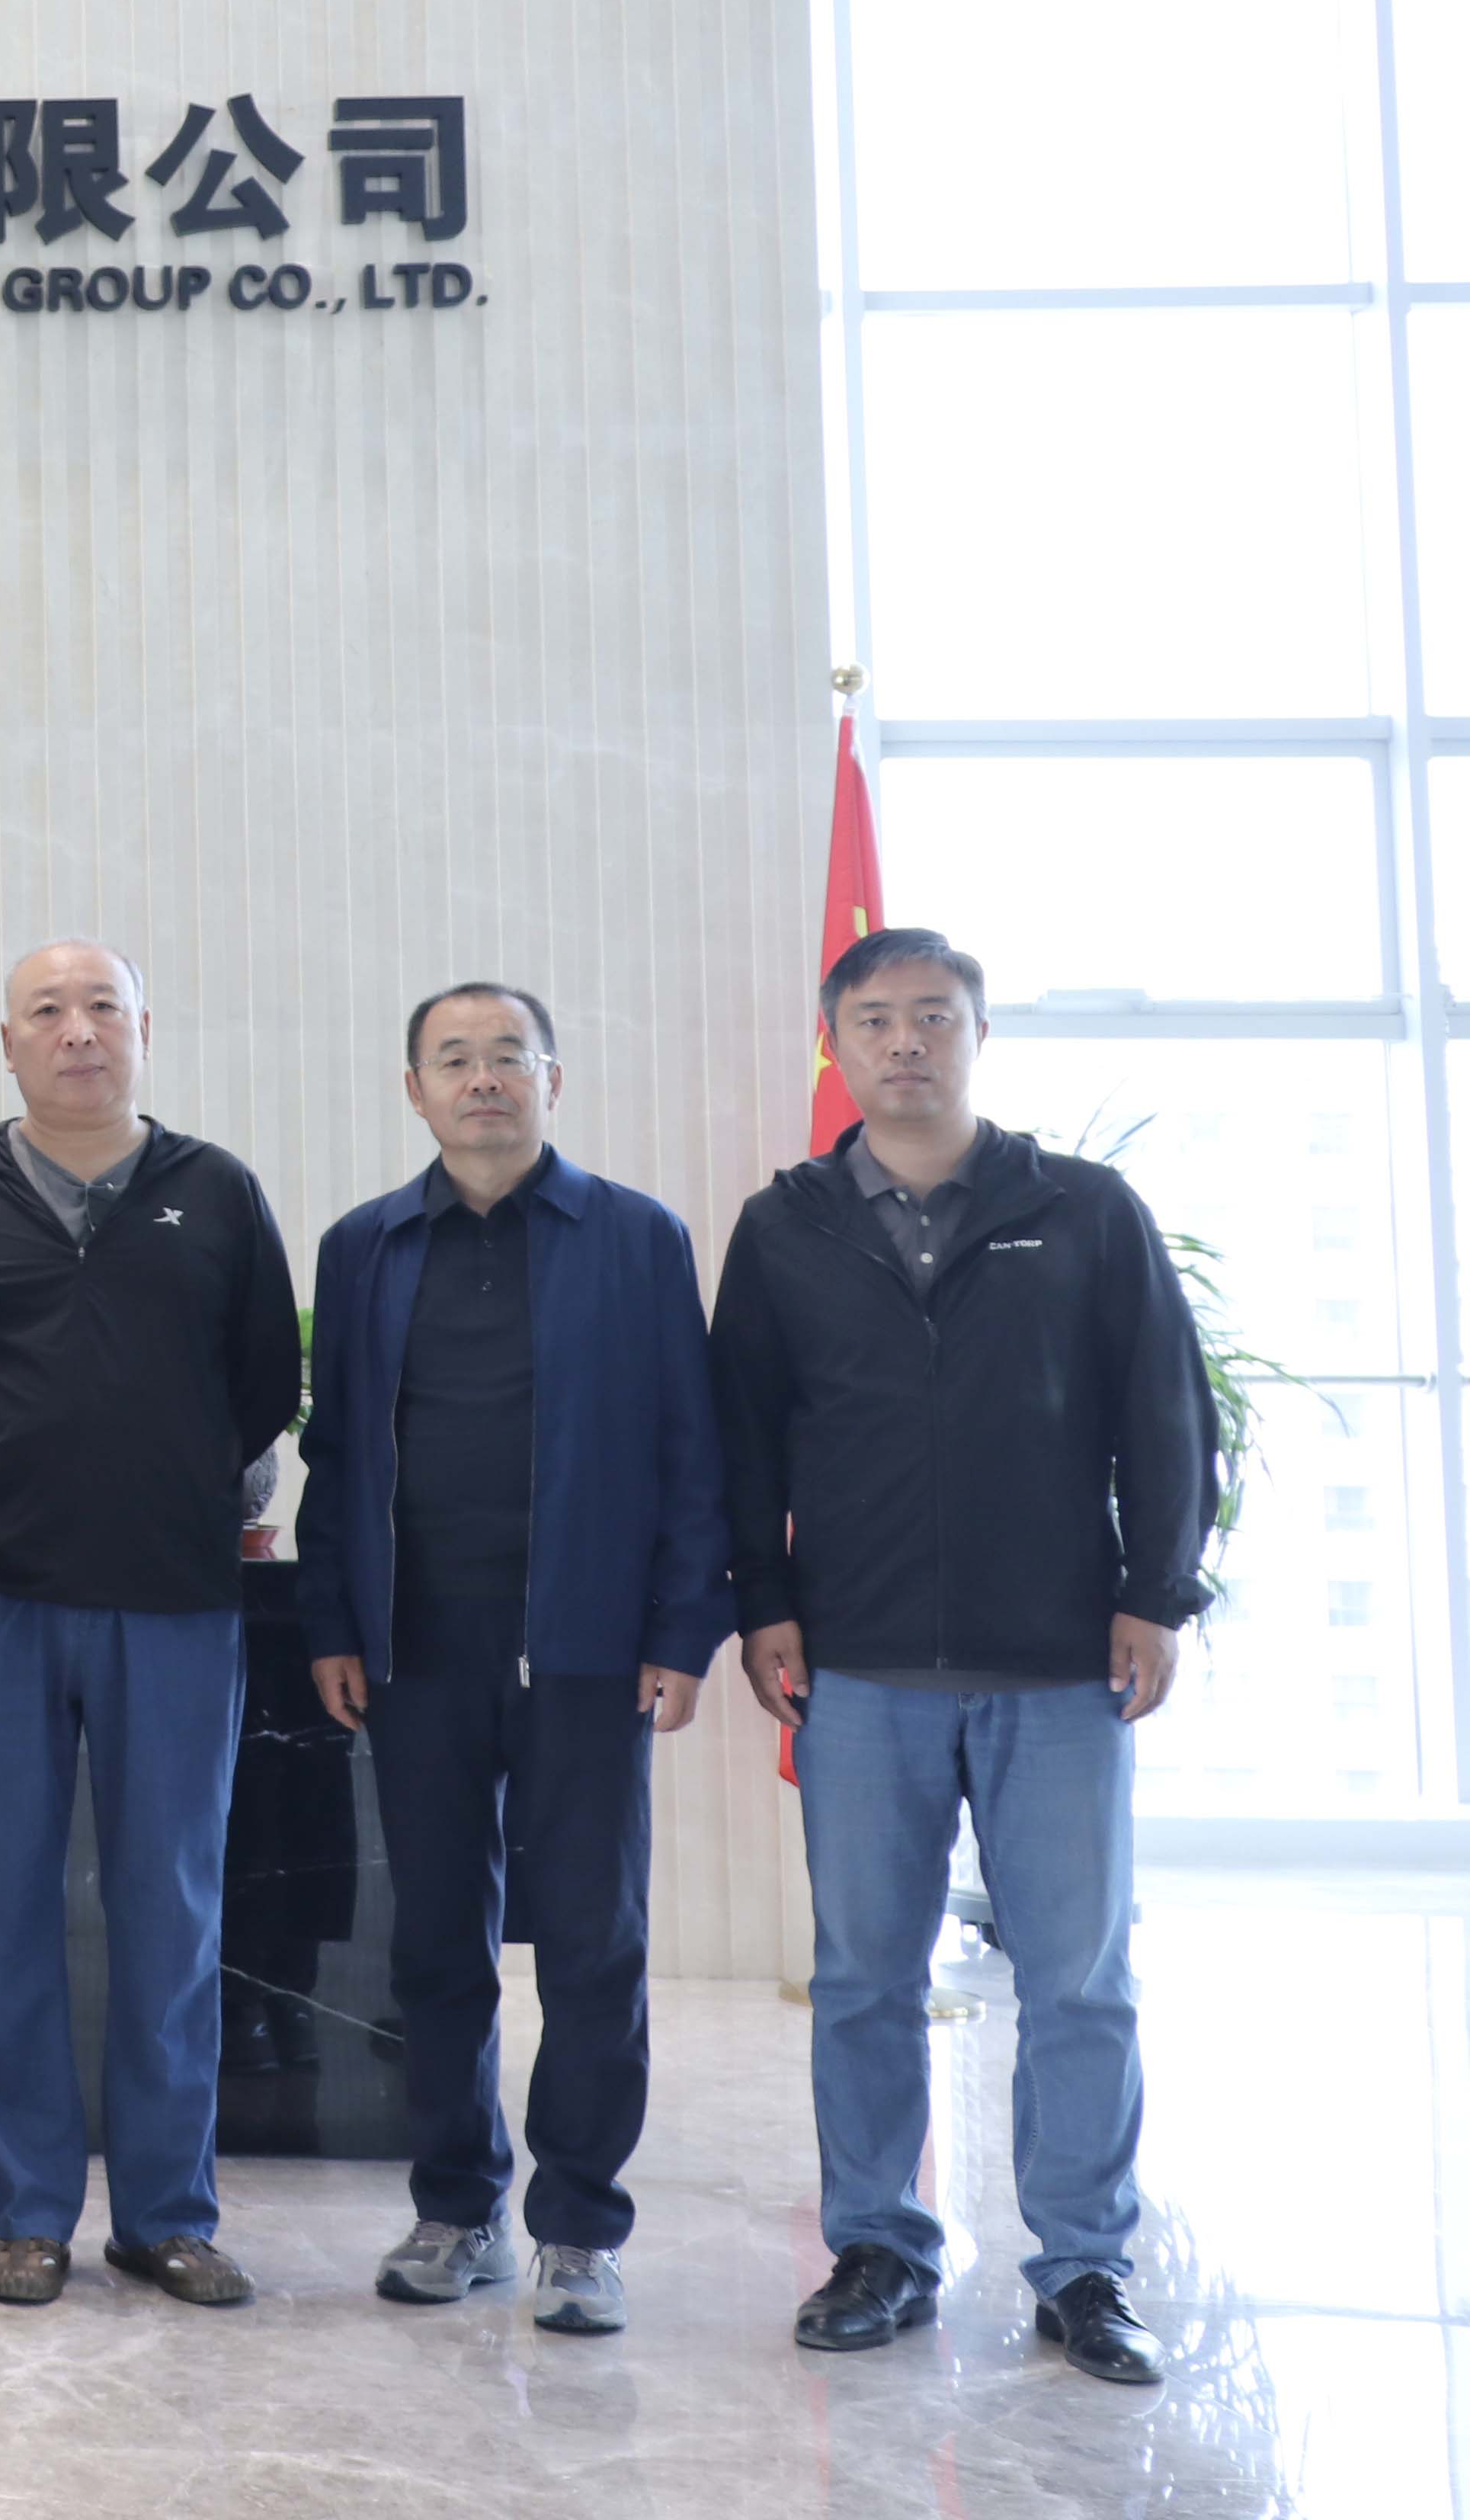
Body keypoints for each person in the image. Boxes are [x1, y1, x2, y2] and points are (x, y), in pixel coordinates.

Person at [713, 927, 1210, 2387]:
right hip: (858, 1664)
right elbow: (742, 1436)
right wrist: (763, 1600)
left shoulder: (1084, 1210)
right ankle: (879, 2247)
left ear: (979, 1037)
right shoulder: (785, 1225)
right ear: (837, 1045)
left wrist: (1157, 1594)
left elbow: (1164, 1412)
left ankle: (1086, 2267)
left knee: (1079, 1981)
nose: (908, 1043)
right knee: (864, 1975)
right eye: (877, 1020)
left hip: (1058, 1663)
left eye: (936, 1017)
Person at [296, 982, 729, 2338]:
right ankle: (458, 2209)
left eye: (508, 1057)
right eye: (454, 1059)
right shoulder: (365, 1246)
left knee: (595, 1946)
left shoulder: (635, 1238)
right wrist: (333, 1623)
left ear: (553, 1080)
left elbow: (693, 1444)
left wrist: (681, 1630)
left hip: (587, 1648)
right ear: (414, 1090)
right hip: (417, 1646)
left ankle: (581, 2229)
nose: (482, 1079)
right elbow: (336, 1455)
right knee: (437, 1943)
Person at [0, 940, 298, 2310]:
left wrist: (164, 1482)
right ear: (7, 1043)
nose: (79, 1032)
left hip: (173, 1601)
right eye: (48, 1012)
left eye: (103, 1008)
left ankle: (168, 2212)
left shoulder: (216, 1190)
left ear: (144, 1030)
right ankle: (25, 2213)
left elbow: (262, 1384)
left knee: (169, 1907)